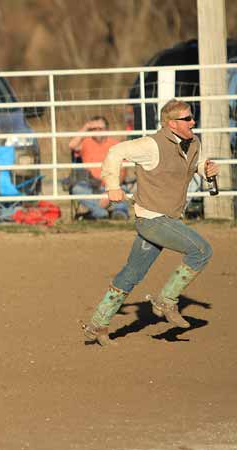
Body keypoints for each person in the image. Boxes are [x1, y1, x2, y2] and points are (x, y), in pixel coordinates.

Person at [80, 99, 219, 346]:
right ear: (172, 124)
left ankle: (97, 325)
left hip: (164, 218)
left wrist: (203, 170)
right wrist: (112, 186)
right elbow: (116, 152)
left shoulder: (193, 142)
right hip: (153, 220)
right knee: (201, 251)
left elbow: (188, 167)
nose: (192, 121)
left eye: (192, 116)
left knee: (131, 273)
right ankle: (166, 300)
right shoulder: (151, 145)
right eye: (187, 118)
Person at [68, 116, 129, 220]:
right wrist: (86, 127)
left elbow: (123, 170)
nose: (97, 131)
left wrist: (111, 188)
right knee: (77, 189)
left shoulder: (115, 144)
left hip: (112, 185)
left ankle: (117, 213)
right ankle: (100, 212)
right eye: (94, 129)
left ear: (107, 130)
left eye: (100, 129)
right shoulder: (86, 142)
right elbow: (72, 145)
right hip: (91, 186)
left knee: (123, 189)